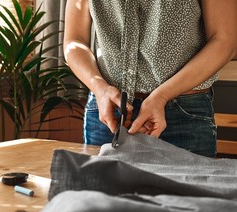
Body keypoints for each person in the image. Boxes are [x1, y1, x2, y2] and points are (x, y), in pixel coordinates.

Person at [63, 0, 237, 157]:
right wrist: (100, 89)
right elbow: (74, 40)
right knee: (97, 191)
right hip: (108, 112)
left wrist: (162, 95)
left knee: (186, 193)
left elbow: (224, 40)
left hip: (183, 114)